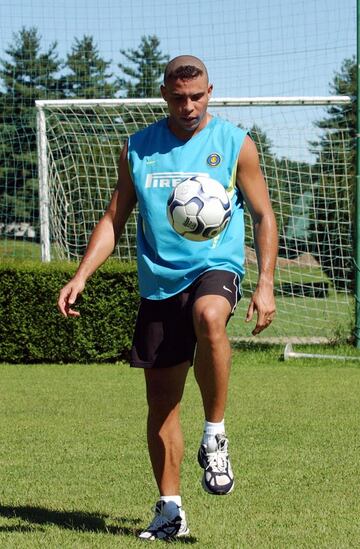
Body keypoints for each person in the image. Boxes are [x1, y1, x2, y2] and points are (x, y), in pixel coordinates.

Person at [58, 55, 278, 541]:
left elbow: (263, 215)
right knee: (162, 406)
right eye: (178, 98)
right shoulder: (138, 148)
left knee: (210, 315)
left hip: (214, 267)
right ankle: (170, 511)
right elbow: (115, 218)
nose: (188, 106)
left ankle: (215, 433)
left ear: (210, 92)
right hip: (158, 284)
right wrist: (81, 276)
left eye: (197, 96)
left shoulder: (236, 145)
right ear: (164, 95)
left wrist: (264, 283)